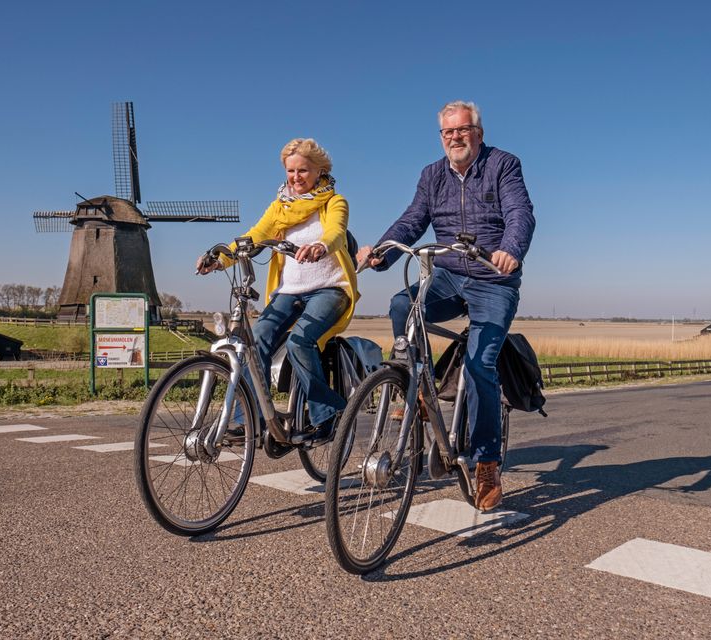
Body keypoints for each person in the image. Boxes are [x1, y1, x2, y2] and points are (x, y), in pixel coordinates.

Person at [357, 101, 535, 511]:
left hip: (493, 278)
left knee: (479, 367)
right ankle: (416, 384)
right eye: (448, 132)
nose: (455, 137)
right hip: (449, 275)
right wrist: (382, 251)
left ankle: (487, 461)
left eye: (463, 129)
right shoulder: (431, 175)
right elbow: (411, 221)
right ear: (441, 137)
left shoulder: (503, 165)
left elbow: (520, 213)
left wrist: (510, 249)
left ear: (479, 132)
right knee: (403, 305)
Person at [198, 138, 358, 440]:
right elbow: (254, 236)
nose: (296, 177)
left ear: (320, 170)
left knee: (300, 342)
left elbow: (336, 232)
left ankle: (329, 412)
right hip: (289, 291)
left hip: (329, 289)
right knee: (255, 342)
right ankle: (249, 419)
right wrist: (219, 259)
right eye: (291, 171)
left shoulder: (334, 202)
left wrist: (321, 245)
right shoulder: (280, 207)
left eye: (303, 171)